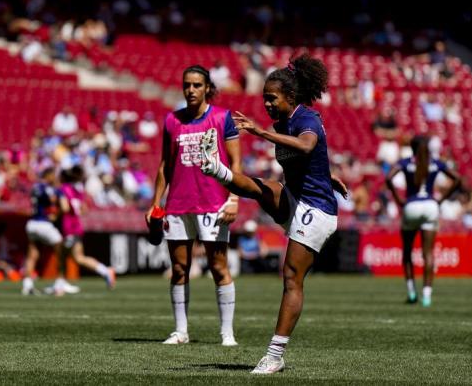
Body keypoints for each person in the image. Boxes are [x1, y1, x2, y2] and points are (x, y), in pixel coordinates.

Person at [198, 54, 348, 374]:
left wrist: (260, 133)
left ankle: (275, 355)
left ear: (289, 97)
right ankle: (213, 167)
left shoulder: (304, 118)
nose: (266, 103)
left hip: (317, 210)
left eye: (272, 98)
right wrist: (328, 174)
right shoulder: (283, 122)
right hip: (297, 198)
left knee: (291, 276)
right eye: (264, 98)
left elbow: (308, 145)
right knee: (262, 188)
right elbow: (310, 157)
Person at [144, 65, 241, 347]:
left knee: (218, 267)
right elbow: (165, 166)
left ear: (207, 87)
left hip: (214, 204)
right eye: (187, 85)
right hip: (178, 204)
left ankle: (227, 333)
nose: (191, 90)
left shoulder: (223, 118)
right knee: (178, 268)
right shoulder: (171, 120)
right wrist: (155, 203)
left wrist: (234, 198)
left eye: (197, 85)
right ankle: (181, 331)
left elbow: (236, 164)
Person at [386, 135, 461, 307]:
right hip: (430, 206)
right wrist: (441, 200)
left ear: (411, 148)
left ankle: (412, 293)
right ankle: (427, 296)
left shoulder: (405, 162)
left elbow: (389, 178)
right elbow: (457, 179)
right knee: (428, 253)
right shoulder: (435, 162)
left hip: (411, 206)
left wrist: (398, 199)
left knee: (407, 252)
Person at [58, 166, 116, 290]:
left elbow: (65, 208)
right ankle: (61, 282)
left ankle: (105, 271)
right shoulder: (78, 191)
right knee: (70, 256)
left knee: (73, 257)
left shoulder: (63, 189)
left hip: (68, 226)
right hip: (77, 225)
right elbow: (84, 209)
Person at [22, 167, 75, 296]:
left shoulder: (35, 187)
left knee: (32, 254)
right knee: (61, 250)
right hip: (43, 224)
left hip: (31, 224)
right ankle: (60, 283)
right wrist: (56, 215)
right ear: (49, 175)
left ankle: (27, 285)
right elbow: (65, 207)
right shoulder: (51, 188)